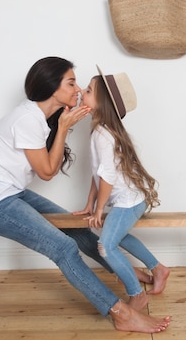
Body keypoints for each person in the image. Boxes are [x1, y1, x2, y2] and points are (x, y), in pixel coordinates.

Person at [0, 56, 170, 333]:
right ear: (52, 87)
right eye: (71, 82)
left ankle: (122, 271)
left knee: (77, 230)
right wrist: (63, 128)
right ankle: (121, 313)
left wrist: (61, 125)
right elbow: (47, 172)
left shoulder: (42, 117)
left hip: (10, 194)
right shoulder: (28, 119)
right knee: (63, 248)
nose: (77, 89)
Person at [73, 66, 170, 311]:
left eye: (88, 90)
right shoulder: (100, 131)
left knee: (105, 245)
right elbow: (98, 174)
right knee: (118, 237)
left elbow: (107, 177)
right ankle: (158, 269)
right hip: (130, 199)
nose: (81, 93)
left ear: (102, 102)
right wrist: (90, 204)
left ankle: (137, 295)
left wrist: (99, 210)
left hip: (128, 201)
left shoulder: (103, 135)